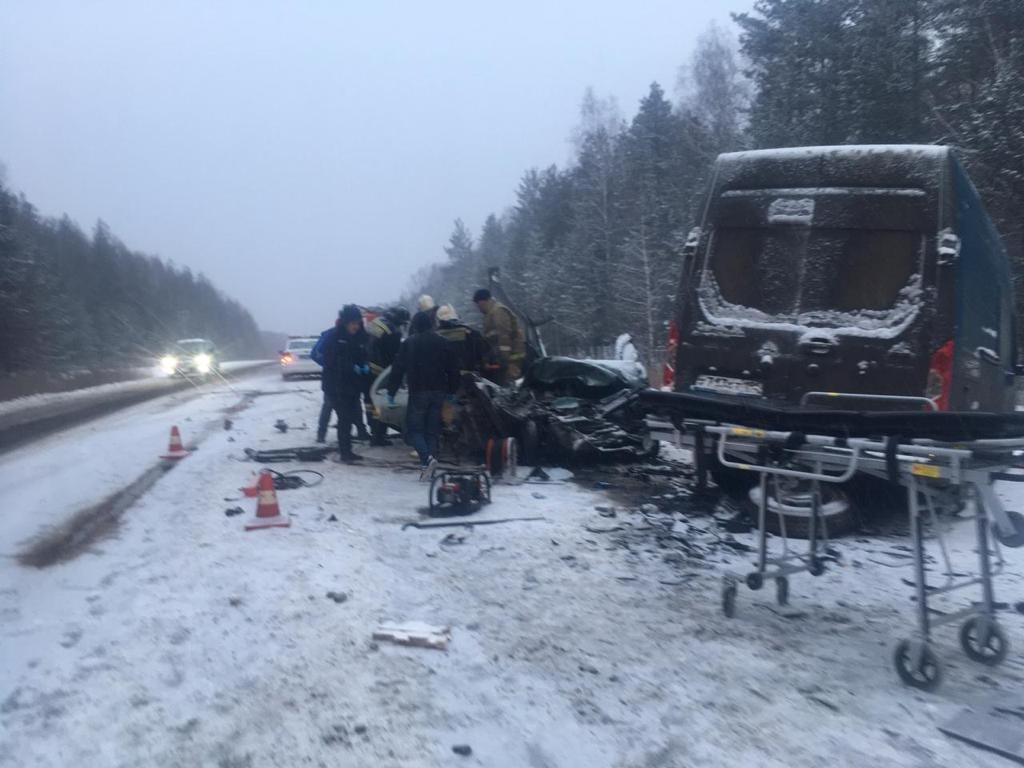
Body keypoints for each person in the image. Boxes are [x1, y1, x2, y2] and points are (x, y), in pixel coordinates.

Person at [386, 311, 459, 477]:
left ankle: (426, 459)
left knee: (414, 430)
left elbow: (398, 369)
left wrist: (391, 391)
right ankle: (429, 468)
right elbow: (454, 368)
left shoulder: (409, 343)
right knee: (431, 430)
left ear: (416, 325)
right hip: (439, 391)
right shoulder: (443, 342)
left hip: (419, 391)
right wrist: (452, 391)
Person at [322, 304, 371, 463]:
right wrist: (352, 367)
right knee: (344, 418)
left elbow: (362, 353)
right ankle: (345, 453)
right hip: (336, 386)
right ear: (345, 322)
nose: (356, 327)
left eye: (358, 323)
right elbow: (332, 362)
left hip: (351, 386)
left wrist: (364, 364)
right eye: (353, 324)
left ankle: (347, 450)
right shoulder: (335, 338)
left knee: (351, 417)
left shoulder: (358, 337)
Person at [364, 306, 410, 446]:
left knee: (369, 403)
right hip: (381, 373)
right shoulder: (393, 332)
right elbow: (395, 358)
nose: (402, 326)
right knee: (382, 403)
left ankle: (373, 431)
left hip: (367, 368)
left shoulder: (376, 323)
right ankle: (379, 436)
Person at [472, 288, 526, 385]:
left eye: (478, 304)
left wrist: (503, 361)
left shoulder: (498, 312)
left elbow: (504, 337)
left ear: (484, 301)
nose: (478, 308)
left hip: (511, 358)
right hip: (504, 358)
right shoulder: (490, 314)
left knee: (510, 387)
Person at [436, 304, 488, 375]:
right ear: (455, 315)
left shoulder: (435, 337)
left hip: (446, 380)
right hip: (469, 379)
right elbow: (483, 354)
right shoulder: (471, 333)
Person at [311, 318, 340, 443]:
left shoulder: (353, 335)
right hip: (331, 378)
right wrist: (328, 364)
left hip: (347, 378)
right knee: (329, 405)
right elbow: (315, 354)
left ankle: (349, 433)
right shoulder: (329, 335)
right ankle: (321, 434)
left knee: (346, 407)